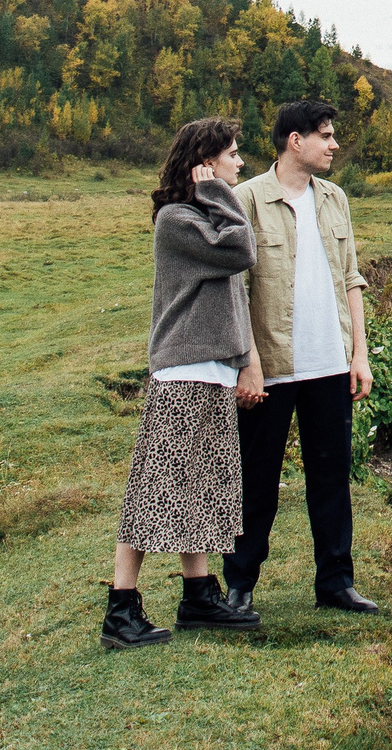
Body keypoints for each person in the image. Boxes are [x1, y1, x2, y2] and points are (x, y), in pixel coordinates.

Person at [104, 116, 268, 649]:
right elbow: (243, 250)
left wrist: (245, 359)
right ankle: (121, 610)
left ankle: (198, 594)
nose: (239, 163)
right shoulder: (177, 219)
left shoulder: (203, 218)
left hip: (212, 371)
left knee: (200, 488)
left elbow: (234, 294)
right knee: (155, 491)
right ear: (205, 164)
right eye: (232, 156)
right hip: (183, 373)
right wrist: (217, 193)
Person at [223, 97, 377, 614]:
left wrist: (360, 354)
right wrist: (248, 362)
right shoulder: (246, 198)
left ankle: (336, 583)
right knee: (257, 479)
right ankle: (240, 586)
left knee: (332, 475)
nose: (334, 145)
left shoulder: (335, 198)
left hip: (331, 365)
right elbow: (235, 290)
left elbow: (351, 279)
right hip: (271, 366)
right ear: (296, 141)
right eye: (326, 135)